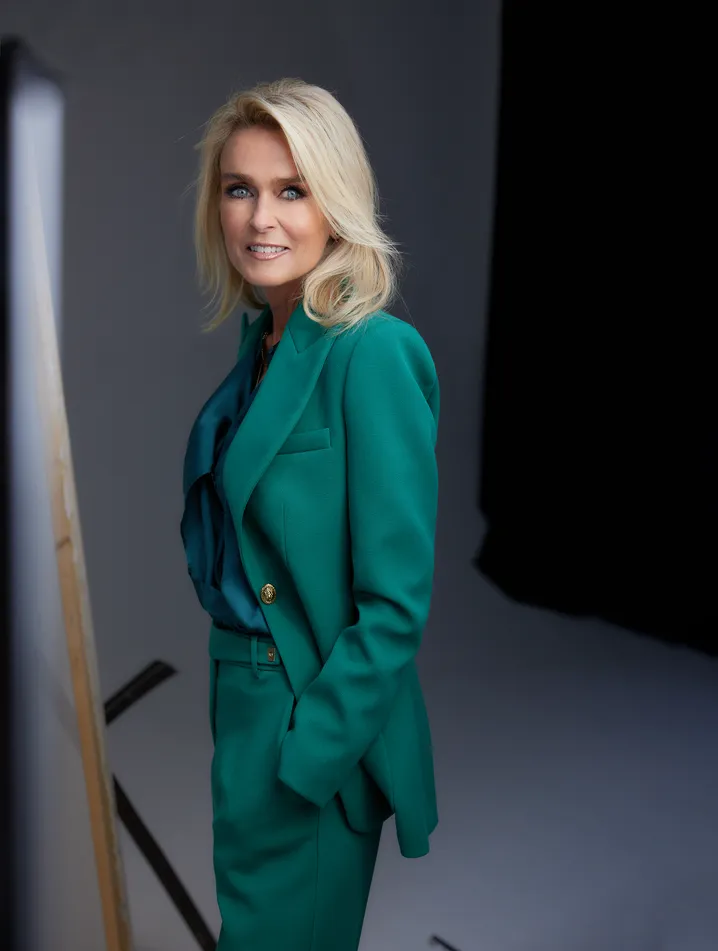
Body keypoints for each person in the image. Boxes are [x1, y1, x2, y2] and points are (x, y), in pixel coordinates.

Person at [180, 77, 440, 951]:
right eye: (240, 189)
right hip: (243, 713)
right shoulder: (263, 344)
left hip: (309, 724)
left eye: (292, 190)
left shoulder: (373, 352)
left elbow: (394, 604)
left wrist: (309, 754)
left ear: (337, 204)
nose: (262, 218)